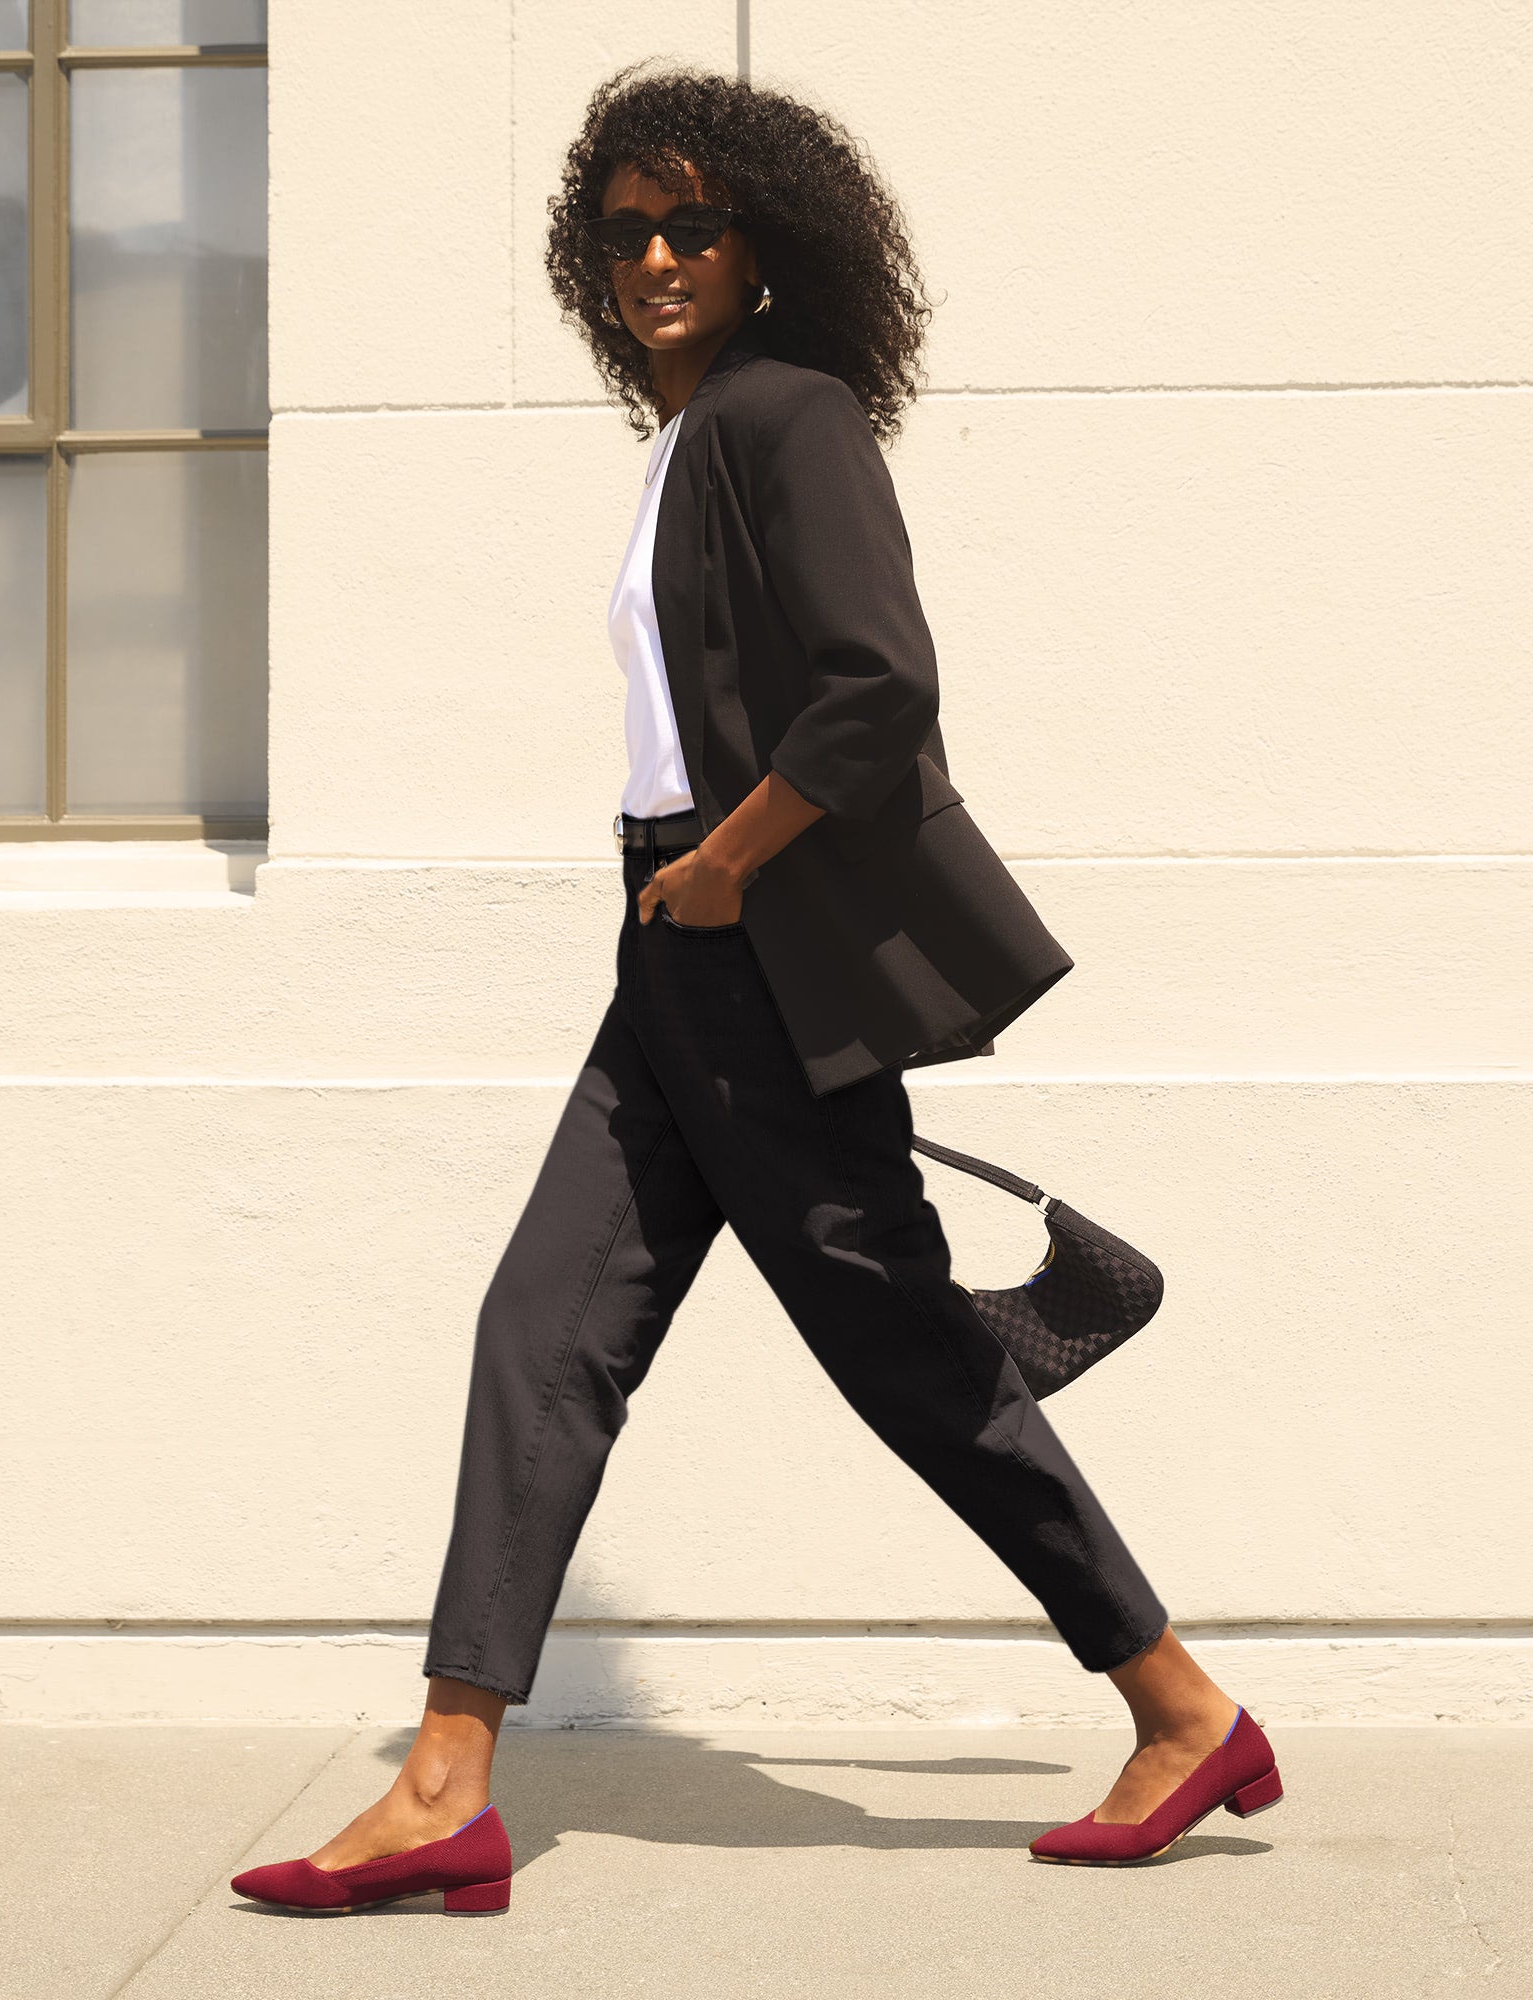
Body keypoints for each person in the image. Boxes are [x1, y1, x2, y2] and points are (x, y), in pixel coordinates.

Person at [231, 62, 1281, 1916]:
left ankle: (1179, 1703)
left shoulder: (784, 417)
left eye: (691, 225)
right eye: (624, 228)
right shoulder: (683, 437)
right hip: (675, 937)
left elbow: (879, 685)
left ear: (762, 249)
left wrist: (722, 866)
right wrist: (676, 887)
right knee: (541, 1330)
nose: (654, 254)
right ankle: (447, 1775)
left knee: (893, 1353)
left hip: (735, 937)